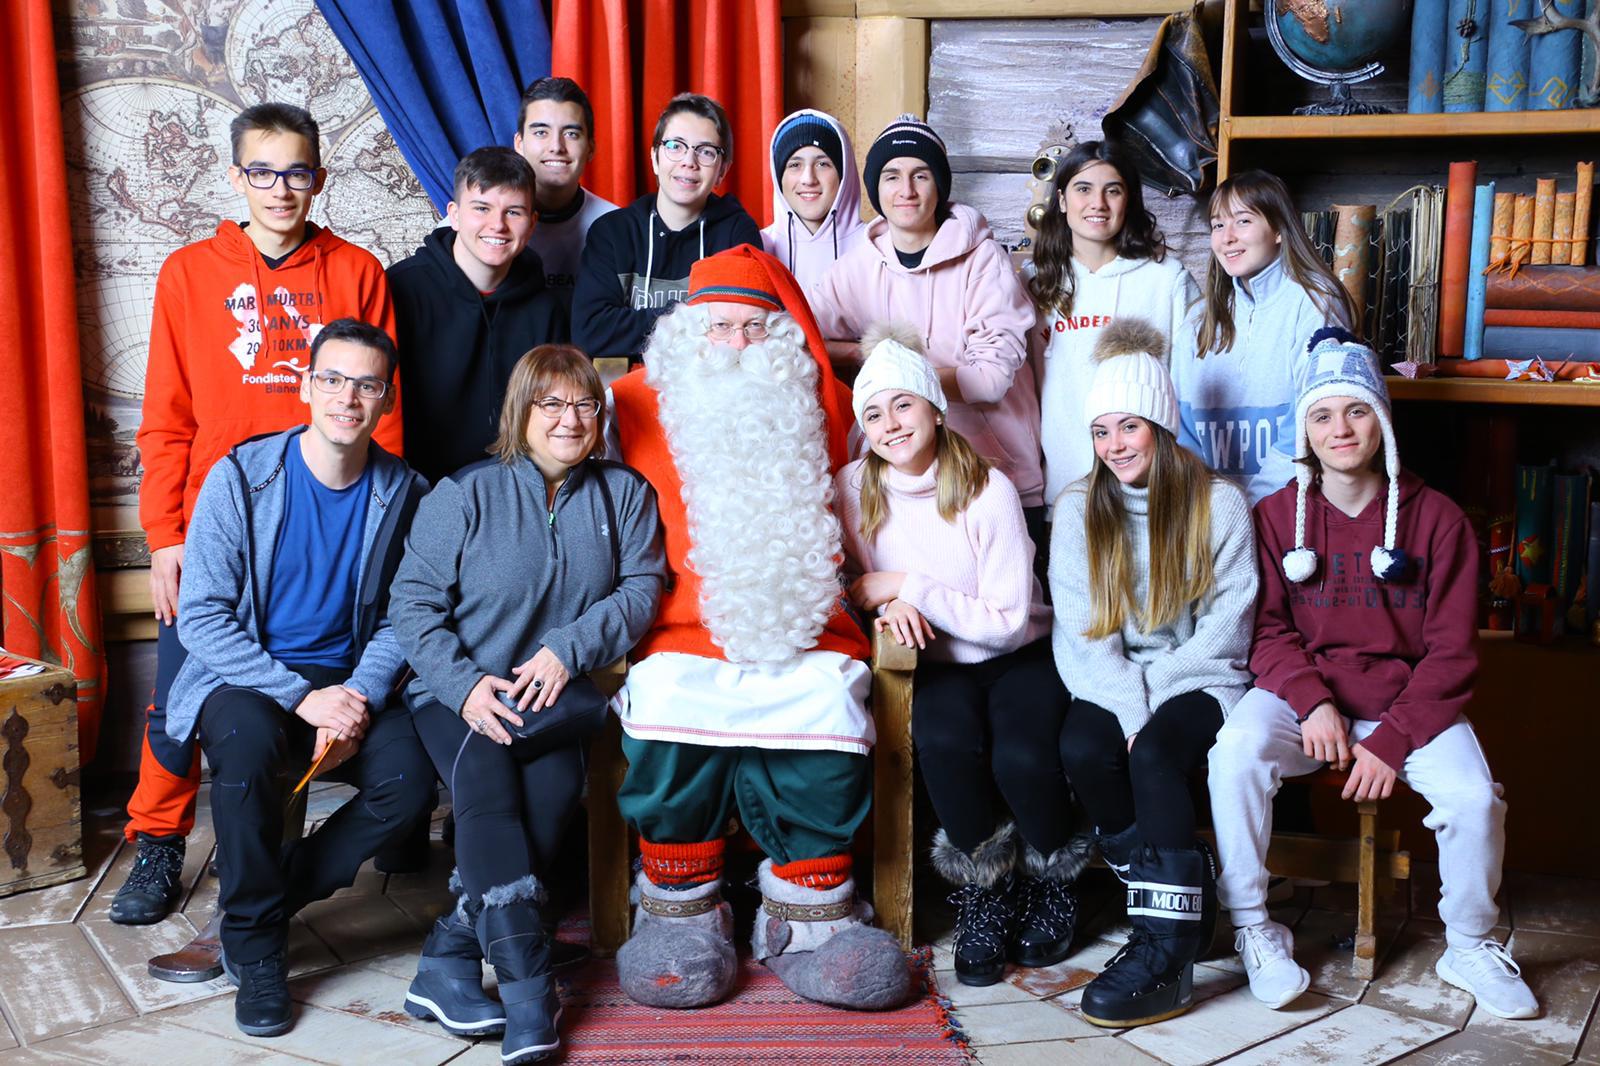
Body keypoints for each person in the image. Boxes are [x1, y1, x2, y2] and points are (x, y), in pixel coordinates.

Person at [115, 102, 404, 926]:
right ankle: (158, 840)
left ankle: (324, 847)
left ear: (320, 178)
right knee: (177, 695)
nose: (281, 188)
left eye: (297, 171)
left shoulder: (357, 270)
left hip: (324, 521)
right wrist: (164, 535)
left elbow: (387, 412)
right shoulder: (188, 272)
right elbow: (166, 417)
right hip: (215, 527)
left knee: (337, 691)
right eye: (263, 171)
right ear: (236, 176)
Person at [607, 245, 910, 1012]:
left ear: (780, 336)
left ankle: (808, 922)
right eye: (720, 327)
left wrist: (904, 589)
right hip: (679, 629)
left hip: (808, 628)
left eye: (754, 328)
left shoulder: (828, 405)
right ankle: (680, 911)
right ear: (688, 332)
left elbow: (888, 515)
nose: (738, 345)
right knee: (666, 701)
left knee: (826, 702)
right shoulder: (627, 404)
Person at [1207, 329, 1539, 1020]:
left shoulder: (1438, 519)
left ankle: (1469, 943)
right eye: (1323, 415)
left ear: (1382, 421)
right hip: (1306, 701)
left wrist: (1392, 740)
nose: (1340, 429)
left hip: (1407, 706)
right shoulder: (1275, 518)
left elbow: (1452, 655)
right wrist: (1311, 702)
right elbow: (1265, 631)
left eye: (1356, 411)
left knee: (1475, 801)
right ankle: (1254, 928)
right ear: (1305, 430)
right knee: (1234, 752)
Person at [390, 345, 665, 1063]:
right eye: (551, 403)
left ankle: (446, 961)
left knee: (549, 798)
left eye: (584, 404)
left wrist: (569, 647)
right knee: (487, 793)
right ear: (521, 411)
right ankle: (528, 992)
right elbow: (411, 605)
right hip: (457, 694)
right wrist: (463, 686)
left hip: (550, 699)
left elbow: (641, 589)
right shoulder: (465, 493)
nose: (570, 419)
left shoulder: (624, 494)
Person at [167, 319, 432, 1037]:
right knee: (248, 755)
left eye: (367, 385)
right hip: (249, 675)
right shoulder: (241, 477)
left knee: (408, 784)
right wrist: (301, 697)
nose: (349, 398)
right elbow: (203, 617)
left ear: (387, 399)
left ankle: (262, 905)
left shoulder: (409, 493)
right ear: (306, 386)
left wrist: (356, 696)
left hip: (349, 679)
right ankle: (259, 954)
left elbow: (404, 618)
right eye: (334, 379)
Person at [835, 325, 1085, 988]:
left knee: (1021, 756)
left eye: (903, 405)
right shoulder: (851, 488)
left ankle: (1052, 879)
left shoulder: (987, 488)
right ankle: (985, 891)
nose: (891, 424)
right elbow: (850, 585)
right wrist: (886, 607)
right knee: (945, 745)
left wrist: (907, 586)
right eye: (874, 413)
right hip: (933, 661)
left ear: (936, 409)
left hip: (1018, 654)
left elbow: (1005, 622)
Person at [1050, 319, 1256, 1029]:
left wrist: (1154, 714)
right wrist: (1133, 711)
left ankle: (1168, 957)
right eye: (1100, 431)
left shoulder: (1219, 503)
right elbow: (1084, 631)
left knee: (1158, 756)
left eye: (1129, 426)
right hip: (1114, 676)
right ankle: (1178, 904)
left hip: (1201, 675)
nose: (1114, 445)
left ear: (1161, 426)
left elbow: (1226, 628)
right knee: (1083, 747)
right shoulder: (1078, 508)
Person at [808, 115, 1044, 547]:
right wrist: (871, 354)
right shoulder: (859, 265)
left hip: (994, 471)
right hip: (905, 481)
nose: (907, 190)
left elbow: (990, 380)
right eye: (891, 176)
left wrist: (902, 376)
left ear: (939, 186)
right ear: (876, 188)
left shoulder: (984, 260)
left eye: (921, 175)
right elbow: (805, 339)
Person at [1025, 140, 1197, 513]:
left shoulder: (1167, 280)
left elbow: (1193, 387)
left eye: (1113, 191)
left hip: (1151, 495)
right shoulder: (1033, 285)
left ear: (1129, 201)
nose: (1098, 203)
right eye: (1083, 189)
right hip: (1063, 493)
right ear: (1062, 200)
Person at [1169, 168, 1356, 504]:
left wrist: (1255, 506)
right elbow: (1182, 429)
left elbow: (1313, 418)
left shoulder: (1315, 301)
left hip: (1287, 506)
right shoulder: (1198, 318)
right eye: (1217, 225)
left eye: (1243, 221)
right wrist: (1212, 507)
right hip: (1211, 510)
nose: (1227, 237)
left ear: (1279, 229)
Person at [387, 147, 569, 487]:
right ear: (454, 215)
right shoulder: (399, 290)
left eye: (513, 212)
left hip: (513, 489)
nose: (497, 225)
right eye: (482, 208)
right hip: (414, 487)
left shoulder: (547, 309)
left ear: (532, 223)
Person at [571, 93, 761, 361]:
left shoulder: (737, 234)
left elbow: (740, 336)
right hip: (626, 383)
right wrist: (697, 316)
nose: (689, 161)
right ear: (654, 158)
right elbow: (591, 332)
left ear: (722, 171)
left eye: (706, 151)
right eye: (675, 146)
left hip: (710, 381)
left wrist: (637, 324)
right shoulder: (612, 233)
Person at [513, 76, 619, 304]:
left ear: (590, 148)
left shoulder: (617, 226)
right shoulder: (478, 226)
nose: (556, 147)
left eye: (571, 134)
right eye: (541, 132)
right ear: (519, 144)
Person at [760, 108, 867, 291]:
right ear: (779, 178)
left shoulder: (875, 246)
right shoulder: (759, 247)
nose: (808, 179)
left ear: (843, 175)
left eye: (822, 164)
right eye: (795, 165)